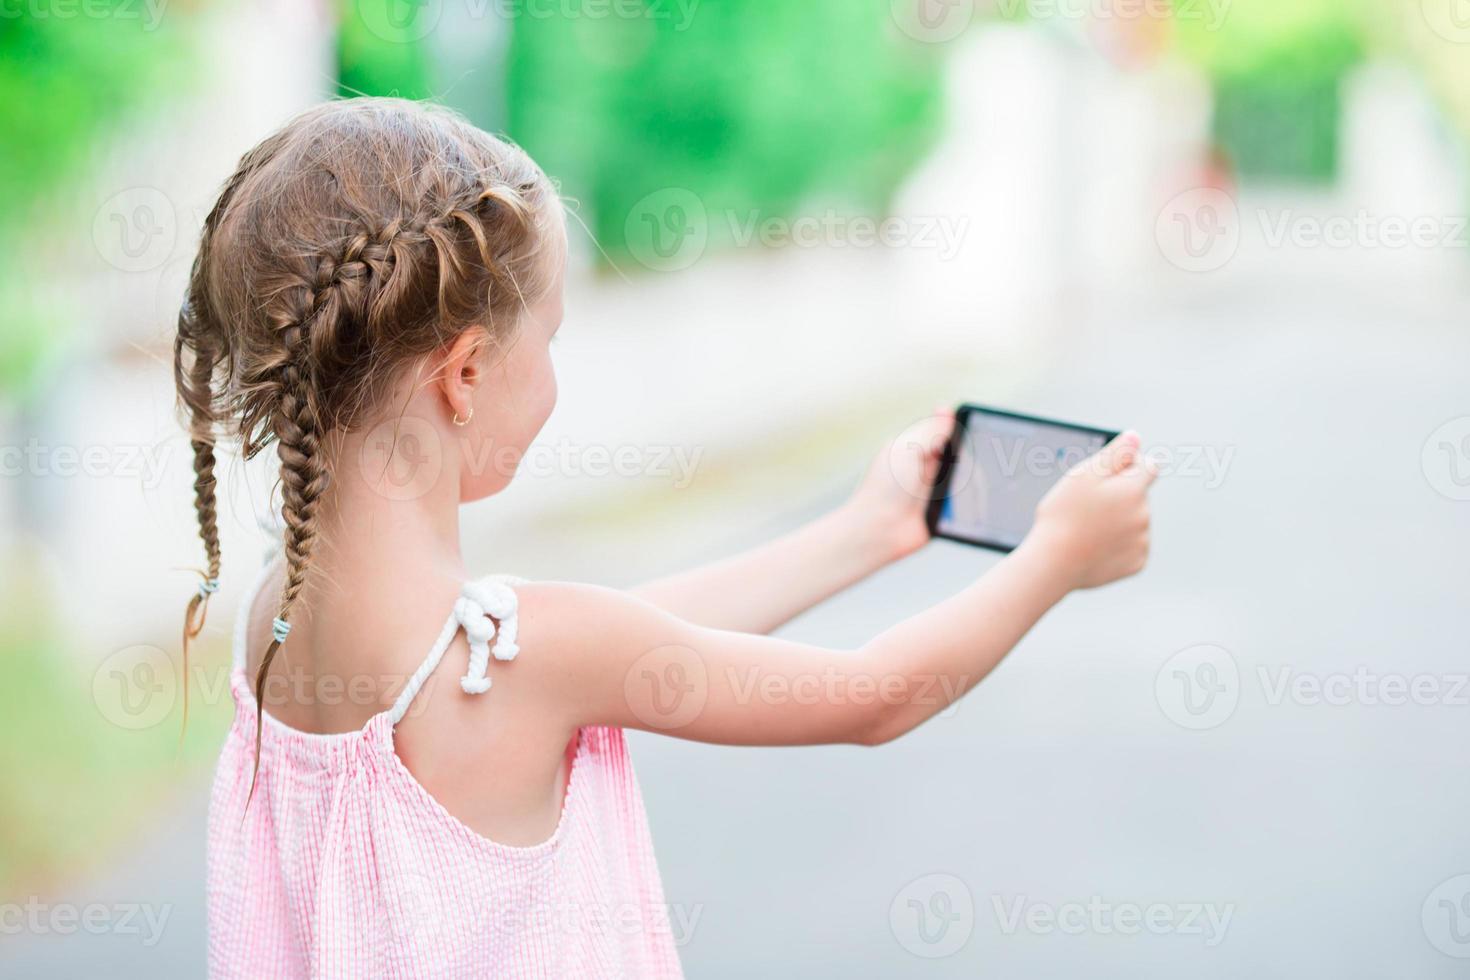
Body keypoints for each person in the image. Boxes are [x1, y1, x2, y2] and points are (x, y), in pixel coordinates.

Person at [176, 97, 1155, 979]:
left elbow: (620, 641)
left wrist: (865, 530)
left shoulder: (278, 615)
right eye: (548, 338)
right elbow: (876, 694)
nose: (554, 372)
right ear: (464, 373)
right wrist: (1057, 556)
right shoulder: (516, 656)